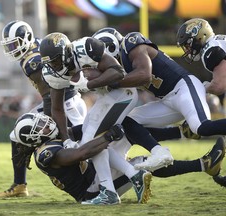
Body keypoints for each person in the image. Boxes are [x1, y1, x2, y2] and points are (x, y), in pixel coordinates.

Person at [39, 32, 170, 204]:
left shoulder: (85, 48)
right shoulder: (52, 72)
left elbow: (118, 72)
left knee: (89, 142)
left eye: (55, 60)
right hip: (106, 98)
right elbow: (57, 108)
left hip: (123, 94)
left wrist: (89, 84)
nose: (54, 66)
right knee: (92, 140)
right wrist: (66, 140)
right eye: (50, 63)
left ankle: (109, 192)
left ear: (66, 52)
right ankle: (133, 175)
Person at [12, 112, 225, 204]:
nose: (45, 123)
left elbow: (88, 130)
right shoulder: (44, 154)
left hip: (95, 175)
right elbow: (81, 153)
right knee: (140, 163)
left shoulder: (55, 137)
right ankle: (202, 164)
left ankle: (181, 134)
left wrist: (109, 123)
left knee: (127, 125)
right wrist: (108, 136)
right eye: (38, 126)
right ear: (33, 138)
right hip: (90, 191)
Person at [92, 27, 226, 172]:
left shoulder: (131, 43)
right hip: (167, 99)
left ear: (109, 46)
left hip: (183, 87)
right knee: (128, 121)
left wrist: (110, 83)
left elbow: (145, 74)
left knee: (201, 127)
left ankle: (186, 134)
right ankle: (159, 151)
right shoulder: (120, 65)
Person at [0, 20, 87, 198]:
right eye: (9, 45)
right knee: (16, 134)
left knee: (80, 141)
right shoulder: (38, 43)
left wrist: (50, 124)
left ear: (26, 38)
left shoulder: (32, 61)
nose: (12, 49)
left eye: (15, 44)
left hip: (65, 106)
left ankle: (101, 179)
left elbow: (50, 97)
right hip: (71, 101)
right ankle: (19, 185)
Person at [176, 17, 226, 186]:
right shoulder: (219, 41)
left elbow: (219, 85)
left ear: (199, 37)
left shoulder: (211, 51)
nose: (188, 49)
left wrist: (201, 89)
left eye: (188, 43)